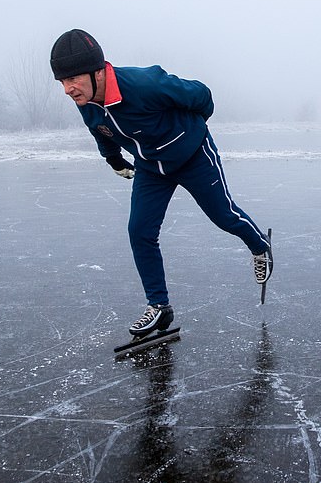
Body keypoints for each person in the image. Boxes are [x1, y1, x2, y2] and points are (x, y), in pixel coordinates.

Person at [50, 29, 272, 338]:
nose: (67, 89)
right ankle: (159, 307)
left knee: (224, 215)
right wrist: (114, 160)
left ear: (97, 71)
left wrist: (192, 131)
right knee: (140, 231)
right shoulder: (86, 101)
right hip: (152, 168)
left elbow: (201, 95)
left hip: (193, 155)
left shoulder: (144, 84)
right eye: (61, 81)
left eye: (72, 79)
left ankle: (260, 246)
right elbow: (99, 130)